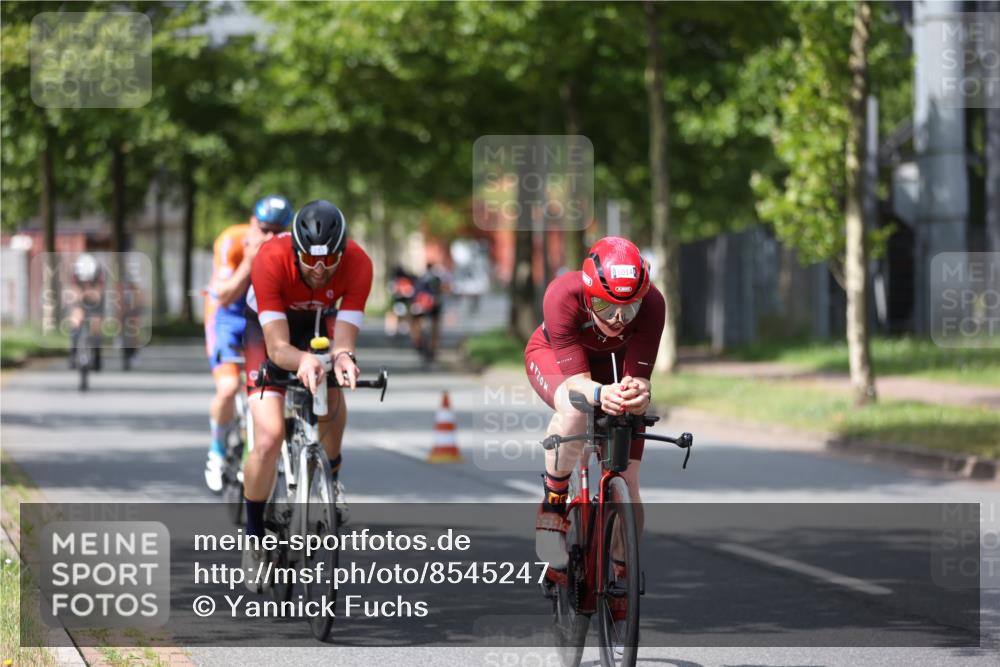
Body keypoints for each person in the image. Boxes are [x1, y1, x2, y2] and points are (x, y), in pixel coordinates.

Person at [523, 237, 665, 616]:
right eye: (605, 306)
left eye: (629, 308)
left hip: (613, 368)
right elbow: (577, 386)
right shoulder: (562, 295)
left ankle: (622, 569)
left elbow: (642, 380)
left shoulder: (653, 304)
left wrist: (637, 395)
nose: (618, 319)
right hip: (556, 359)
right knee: (575, 411)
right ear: (588, 296)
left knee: (629, 477)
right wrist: (600, 394)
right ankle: (554, 501)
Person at [241, 200, 373, 590]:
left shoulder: (359, 264)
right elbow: (279, 347)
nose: (319, 269)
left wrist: (344, 358)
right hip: (271, 328)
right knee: (268, 436)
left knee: (331, 383)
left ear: (343, 250)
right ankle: (252, 539)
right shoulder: (270, 259)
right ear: (295, 250)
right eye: (309, 260)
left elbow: (344, 341)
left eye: (329, 260)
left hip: (319, 321)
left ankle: (330, 474)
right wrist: (299, 361)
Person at [203, 195, 293, 493]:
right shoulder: (232, 240)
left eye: (277, 231)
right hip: (227, 319)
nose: (270, 237)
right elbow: (224, 295)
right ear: (253, 224)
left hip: (263, 321)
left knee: (268, 392)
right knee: (228, 388)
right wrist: (251, 262)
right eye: (264, 229)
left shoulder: (291, 247)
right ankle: (216, 449)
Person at [66, 253, 105, 370]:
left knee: (96, 326)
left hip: (96, 303)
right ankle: (73, 353)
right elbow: (73, 293)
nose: (87, 282)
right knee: (76, 320)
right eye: (84, 280)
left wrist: (89, 294)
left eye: (89, 280)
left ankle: (97, 356)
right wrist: (80, 296)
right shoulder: (75, 275)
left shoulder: (99, 275)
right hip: (80, 301)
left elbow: (97, 295)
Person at [408, 262, 450, 363]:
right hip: (434, 305)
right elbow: (442, 291)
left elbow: (413, 294)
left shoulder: (420, 279)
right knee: (435, 327)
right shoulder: (437, 278)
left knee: (415, 322)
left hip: (419, 305)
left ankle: (417, 342)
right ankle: (434, 348)